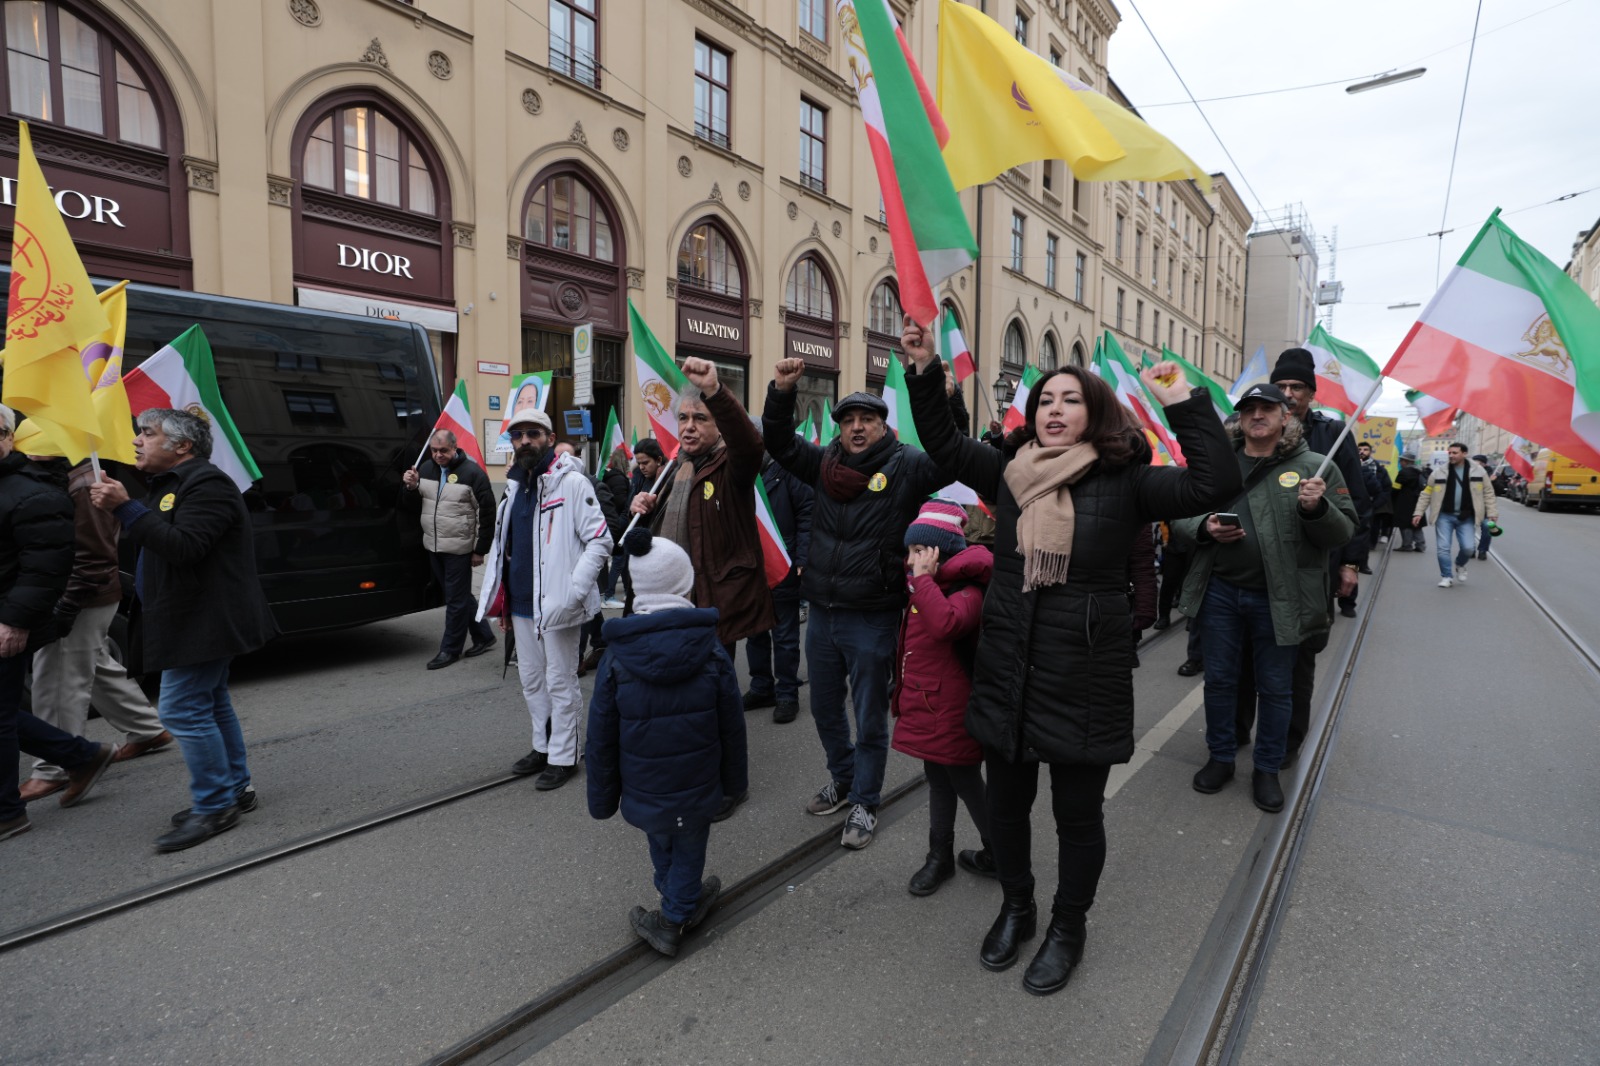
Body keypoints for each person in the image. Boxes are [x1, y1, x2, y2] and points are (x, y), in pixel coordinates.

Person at [899, 322, 1239, 997]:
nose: (1054, 409)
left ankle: (1067, 927)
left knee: (1077, 817)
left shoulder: (1130, 481)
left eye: (1070, 399)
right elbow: (942, 443)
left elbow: (1214, 483)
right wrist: (925, 370)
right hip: (1008, 666)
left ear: (1095, 413)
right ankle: (1017, 907)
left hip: (1085, 673)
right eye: (1045, 399)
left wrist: (1182, 399)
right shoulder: (1009, 471)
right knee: (1007, 808)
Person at [763, 362, 954, 852]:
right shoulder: (823, 465)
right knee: (825, 708)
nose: (857, 427)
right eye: (848, 420)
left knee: (869, 715)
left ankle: (866, 801)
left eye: (867, 419)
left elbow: (951, 457)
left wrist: (946, 399)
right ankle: (843, 778)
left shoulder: (906, 465)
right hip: (822, 613)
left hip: (872, 614)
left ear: (883, 425)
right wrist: (782, 390)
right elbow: (779, 442)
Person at [90, 409, 279, 851]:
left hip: (204, 619)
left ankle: (215, 805)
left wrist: (126, 507)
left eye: (147, 433)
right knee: (210, 702)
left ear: (182, 446)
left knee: (180, 710)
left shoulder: (207, 484)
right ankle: (234, 789)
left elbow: (185, 546)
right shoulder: (172, 484)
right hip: (194, 616)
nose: (136, 440)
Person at [1173, 384, 1357, 814]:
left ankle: (1267, 768)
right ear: (1240, 418)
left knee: (1276, 687)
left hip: (1282, 597)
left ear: (1285, 416)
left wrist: (1317, 509)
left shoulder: (1316, 467)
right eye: (1249, 409)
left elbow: (1344, 531)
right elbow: (1180, 516)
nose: (1257, 415)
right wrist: (1204, 527)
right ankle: (1220, 758)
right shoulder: (1218, 464)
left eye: (1267, 409)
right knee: (1220, 681)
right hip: (1220, 593)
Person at [586, 527, 747, 957]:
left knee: (660, 837)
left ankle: (675, 903)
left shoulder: (618, 657)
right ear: (684, 585)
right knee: (691, 840)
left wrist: (602, 797)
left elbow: (600, 735)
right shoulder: (711, 650)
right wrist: (734, 784)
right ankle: (677, 912)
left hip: (645, 785)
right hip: (698, 781)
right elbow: (732, 725)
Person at [1233, 348, 1371, 765]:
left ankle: (1287, 744)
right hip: (1252, 570)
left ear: (1312, 393)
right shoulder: (1251, 427)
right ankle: (1236, 730)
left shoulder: (1334, 434)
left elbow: (1356, 503)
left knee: (1297, 661)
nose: (1289, 393)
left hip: (1310, 571)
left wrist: (1349, 563)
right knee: (1242, 658)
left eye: (1297, 387)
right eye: (1282, 386)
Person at [21, 453, 171, 802]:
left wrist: (65, 606)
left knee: (57, 677)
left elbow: (94, 557)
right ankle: (146, 728)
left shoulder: (83, 482)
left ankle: (55, 766)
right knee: (91, 662)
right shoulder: (69, 477)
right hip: (80, 594)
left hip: (79, 596)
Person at [477, 402, 612, 789]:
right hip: (522, 605)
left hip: (558, 605)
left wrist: (573, 591)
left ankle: (565, 755)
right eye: (517, 435)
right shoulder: (514, 488)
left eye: (532, 434)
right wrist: (502, 602)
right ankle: (543, 745)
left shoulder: (572, 484)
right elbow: (506, 550)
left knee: (560, 681)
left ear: (550, 439)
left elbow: (600, 541)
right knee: (532, 681)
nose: (524, 440)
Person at [1, 406, 120, 840]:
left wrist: (20, 620)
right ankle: (85, 754)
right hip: (37, 607)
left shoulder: (43, 491)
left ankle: (14, 806)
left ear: (10, 438)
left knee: (50, 688)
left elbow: (53, 565)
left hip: (27, 613)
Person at [629, 359, 774, 663]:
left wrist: (715, 391)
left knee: (710, 680)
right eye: (683, 418)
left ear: (719, 426)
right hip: (670, 599)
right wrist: (645, 509)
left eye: (700, 418)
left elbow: (748, 444)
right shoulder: (675, 468)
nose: (689, 426)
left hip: (713, 600)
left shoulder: (732, 465)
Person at [891, 500, 995, 897]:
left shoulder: (968, 589)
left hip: (953, 708)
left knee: (965, 779)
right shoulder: (927, 585)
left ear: (941, 552)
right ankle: (940, 856)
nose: (912, 560)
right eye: (910, 551)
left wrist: (924, 582)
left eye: (920, 551)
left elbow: (946, 624)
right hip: (927, 702)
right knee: (937, 778)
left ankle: (998, 850)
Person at [402, 429, 497, 669]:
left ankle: (450, 650)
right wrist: (411, 487)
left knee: (455, 600)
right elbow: (412, 505)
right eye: (434, 450)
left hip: (459, 548)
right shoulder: (425, 469)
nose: (438, 455)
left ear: (455, 447)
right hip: (434, 544)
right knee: (459, 596)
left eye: (443, 450)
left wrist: (480, 549)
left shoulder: (473, 473)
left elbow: (487, 513)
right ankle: (484, 636)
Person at [743, 450, 812, 724]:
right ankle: (761, 688)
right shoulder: (742, 472)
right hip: (750, 568)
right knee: (754, 633)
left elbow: (807, 514)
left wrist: (803, 557)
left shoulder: (789, 472)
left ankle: (787, 694)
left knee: (784, 636)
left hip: (783, 563)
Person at [1414, 442, 1497, 588]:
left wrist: (1492, 512)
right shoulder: (1439, 471)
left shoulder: (1478, 471)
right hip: (1444, 516)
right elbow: (1426, 493)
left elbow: (1488, 493)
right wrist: (1418, 512)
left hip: (1466, 516)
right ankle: (1446, 576)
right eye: (1450, 453)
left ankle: (1460, 564)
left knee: (1468, 548)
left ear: (1464, 454)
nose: (1451, 456)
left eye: (1455, 453)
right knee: (1443, 548)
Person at [1340, 440, 1393, 615]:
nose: (1361, 452)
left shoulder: (1370, 470)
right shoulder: (1337, 467)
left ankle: (1348, 603)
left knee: (1353, 559)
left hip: (1359, 519)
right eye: (1359, 449)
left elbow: (1381, 490)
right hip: (1337, 518)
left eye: (1364, 449)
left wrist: (1371, 507)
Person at [600, 446, 633, 606]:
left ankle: (627, 592)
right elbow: (621, 503)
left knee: (623, 559)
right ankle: (609, 595)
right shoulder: (619, 479)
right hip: (620, 524)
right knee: (619, 560)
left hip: (613, 523)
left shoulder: (609, 477)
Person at [1393, 454, 1428, 552]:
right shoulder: (1420, 471)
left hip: (1404, 501)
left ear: (1406, 461)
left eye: (1401, 461)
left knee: (1405, 524)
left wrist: (1392, 497)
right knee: (1417, 523)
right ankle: (1420, 545)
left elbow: (1396, 487)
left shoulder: (1403, 472)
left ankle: (1407, 545)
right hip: (1418, 500)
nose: (1400, 463)